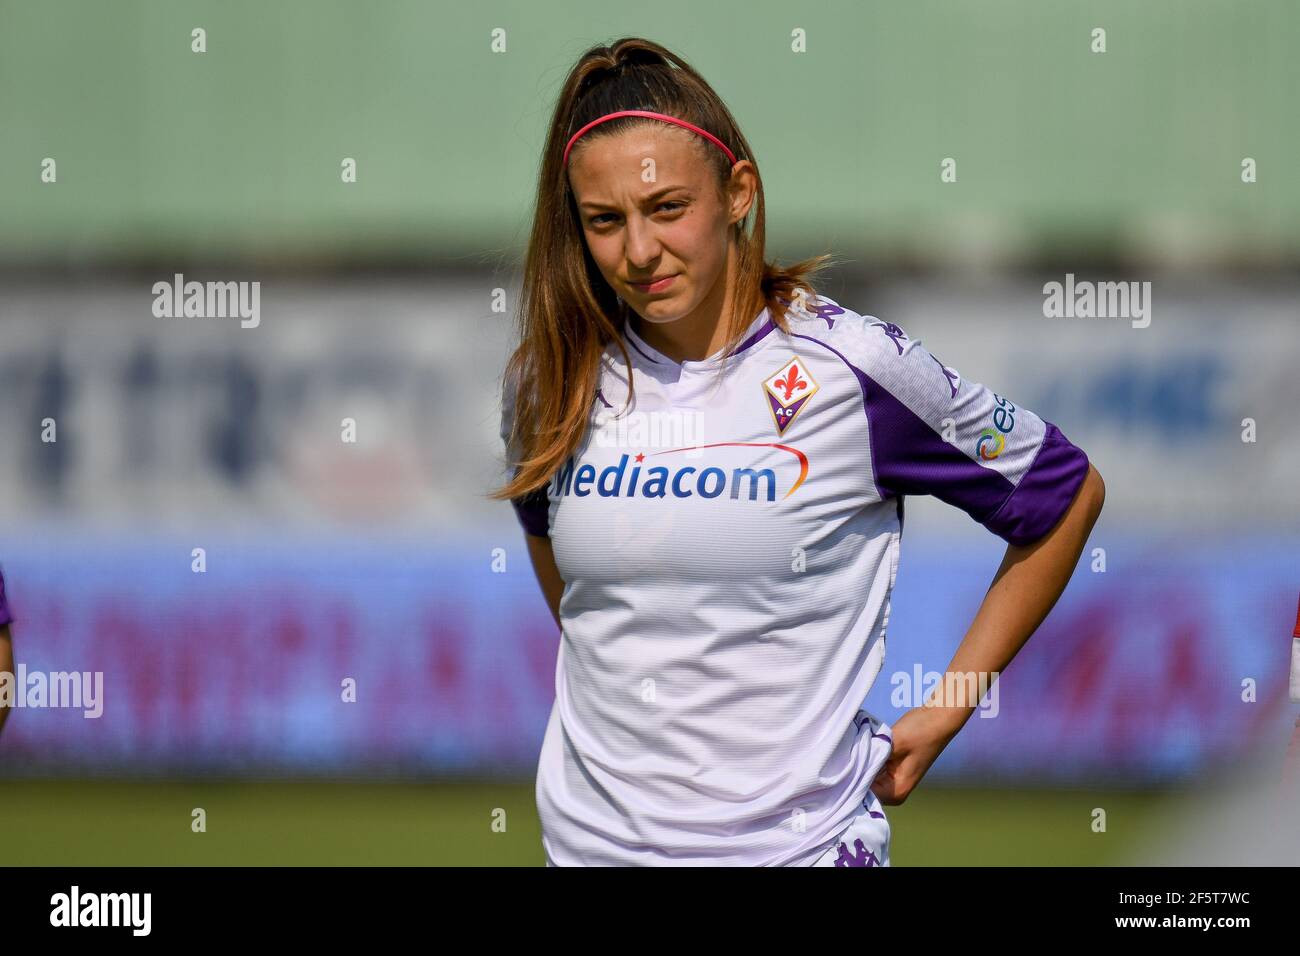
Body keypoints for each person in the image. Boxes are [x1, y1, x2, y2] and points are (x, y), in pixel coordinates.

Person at [491, 37, 1105, 866]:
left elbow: (1060, 497)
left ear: (738, 191)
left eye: (667, 207)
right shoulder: (549, 379)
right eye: (605, 221)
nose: (638, 252)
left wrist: (951, 704)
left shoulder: (856, 368)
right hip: (588, 850)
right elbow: (560, 563)